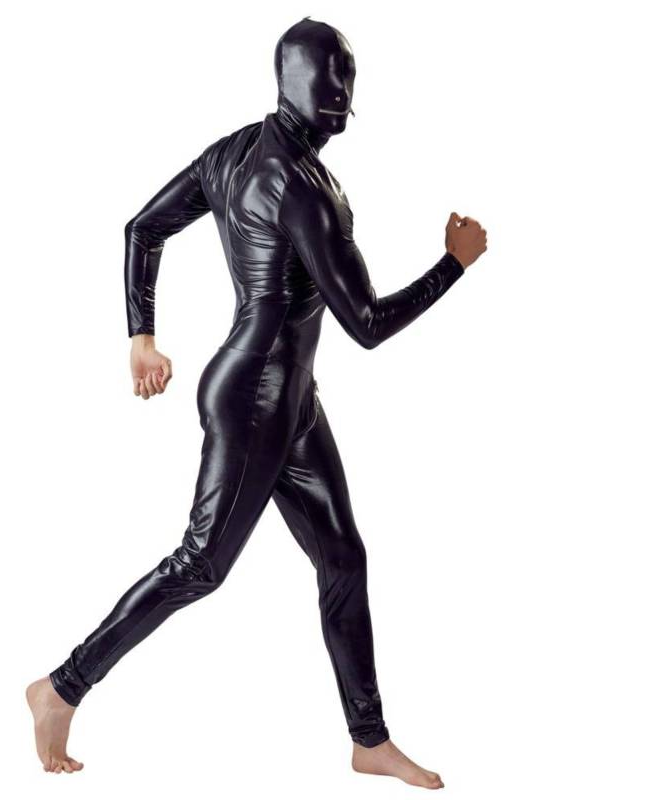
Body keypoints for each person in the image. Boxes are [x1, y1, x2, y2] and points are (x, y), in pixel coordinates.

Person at [26, 16, 487, 788]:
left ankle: (369, 741)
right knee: (201, 565)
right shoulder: (304, 188)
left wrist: (143, 337)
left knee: (342, 556)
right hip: (253, 402)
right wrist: (454, 264)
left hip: (290, 399)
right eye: (333, 79)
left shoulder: (237, 151)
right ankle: (60, 688)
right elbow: (367, 326)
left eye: (348, 79)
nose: (342, 96)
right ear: (297, 83)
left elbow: (143, 229)